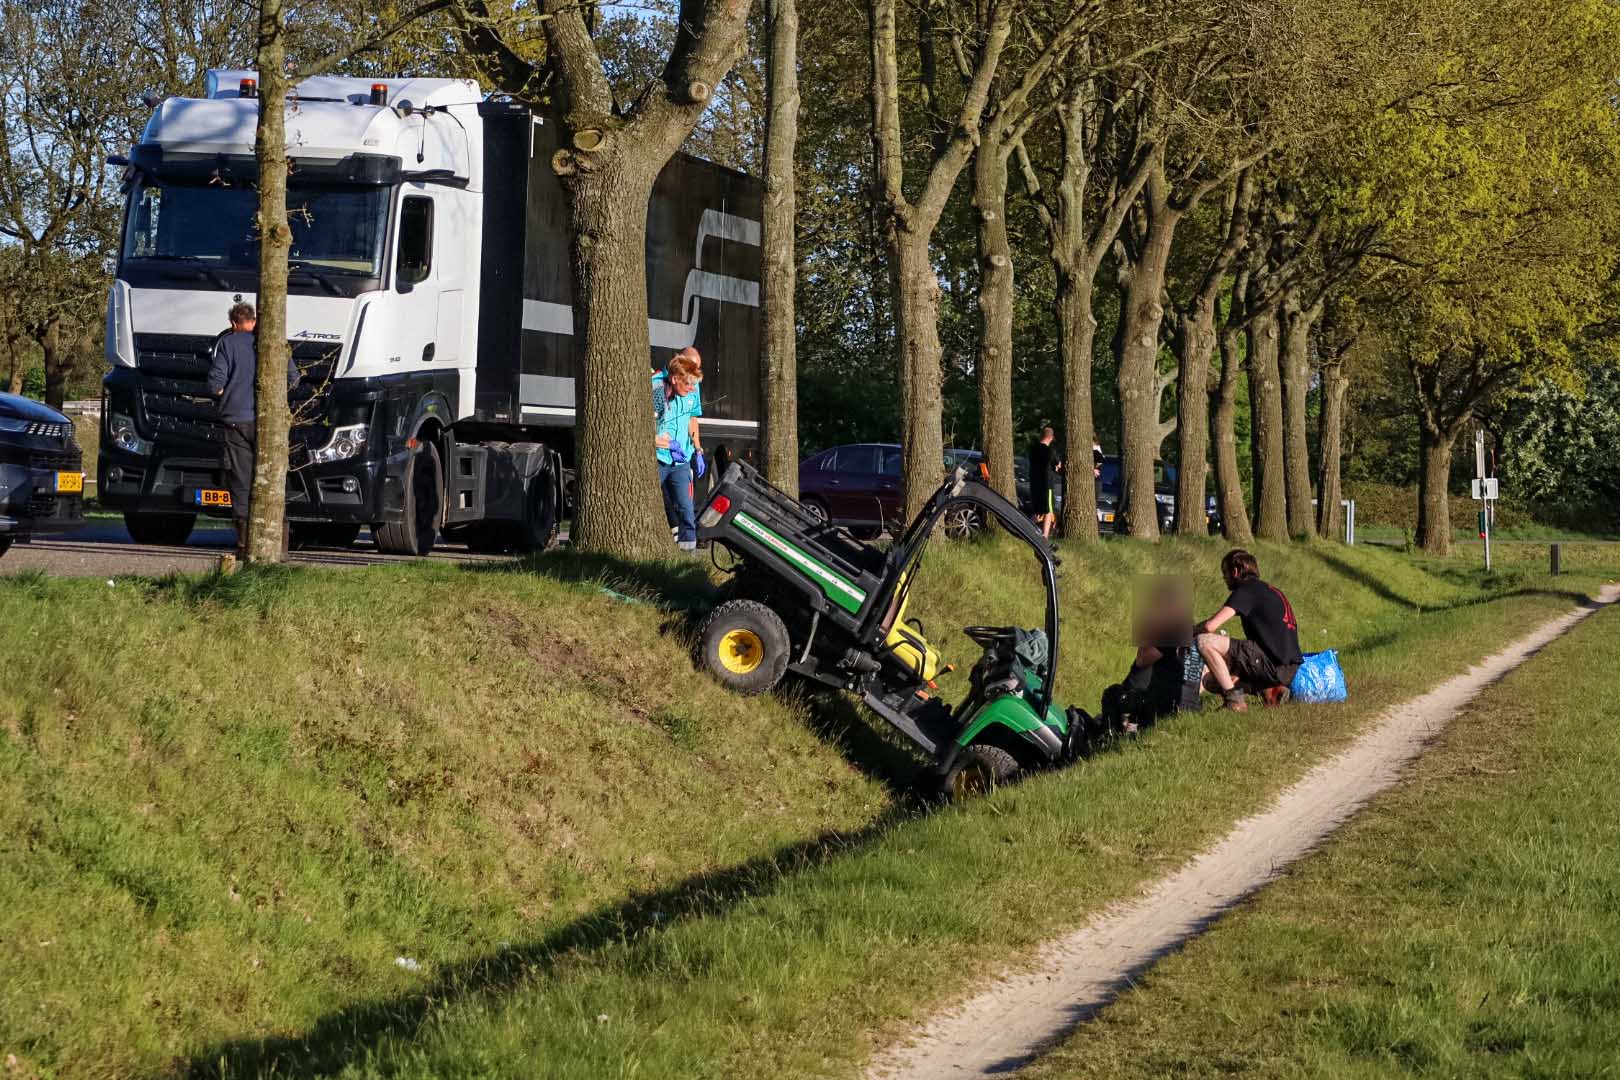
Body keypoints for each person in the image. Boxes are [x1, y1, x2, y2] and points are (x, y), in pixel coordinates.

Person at [207, 302, 297, 553]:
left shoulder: (227, 344)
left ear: (233, 324)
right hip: (269, 422)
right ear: (254, 321)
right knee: (272, 482)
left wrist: (225, 392)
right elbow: (293, 378)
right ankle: (279, 547)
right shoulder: (275, 343)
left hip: (236, 421)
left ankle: (246, 545)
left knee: (241, 482)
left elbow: (216, 383)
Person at [1195, 549, 1303, 712]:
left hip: (1272, 663)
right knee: (1211, 680)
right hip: (1289, 667)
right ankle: (1269, 691)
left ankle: (1234, 701)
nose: (1224, 578)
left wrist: (1189, 630)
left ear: (1236, 571)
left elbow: (1210, 627)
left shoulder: (1246, 590)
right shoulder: (1269, 590)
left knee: (1204, 641)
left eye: (1225, 572)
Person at [653, 347, 705, 550]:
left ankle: (687, 554)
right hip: (659, 457)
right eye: (692, 369)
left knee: (687, 509)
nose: (693, 387)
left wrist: (698, 450)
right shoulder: (657, 389)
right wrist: (668, 444)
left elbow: (692, 419)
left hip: (681, 459)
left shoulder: (692, 386)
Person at [1027, 424, 1060, 538]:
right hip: (1047, 484)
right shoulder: (1049, 451)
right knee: (1049, 510)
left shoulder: (1033, 449)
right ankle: (1045, 536)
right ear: (1051, 437)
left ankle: (1026, 528)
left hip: (1035, 483)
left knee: (1038, 511)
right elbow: (1057, 466)